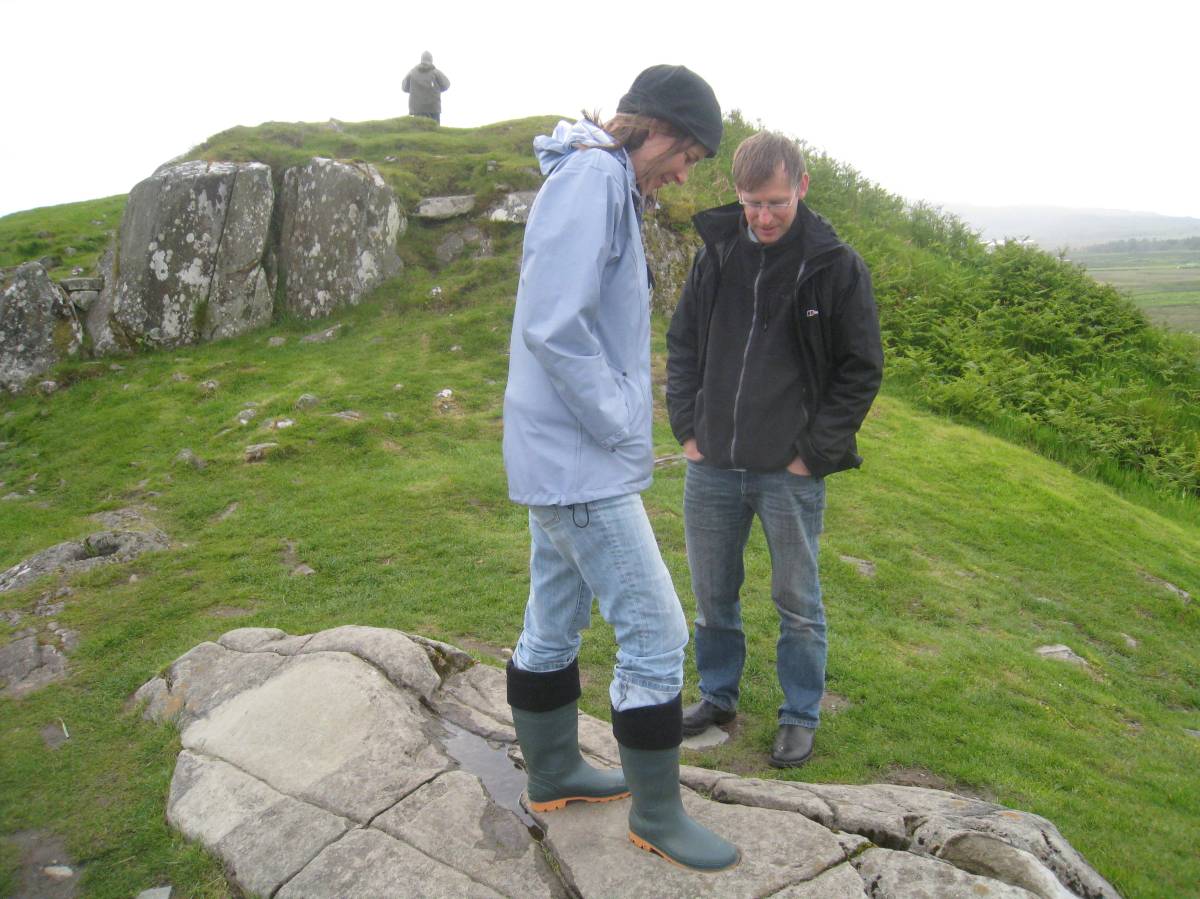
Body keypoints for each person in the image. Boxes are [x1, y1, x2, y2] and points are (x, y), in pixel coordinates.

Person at [502, 64, 739, 872]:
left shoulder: (604, 181)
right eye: (689, 155)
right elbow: (553, 325)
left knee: (553, 618)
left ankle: (553, 772)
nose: (685, 174)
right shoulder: (594, 180)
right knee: (656, 630)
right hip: (580, 461)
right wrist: (617, 420)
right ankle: (657, 815)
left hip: (563, 456)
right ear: (657, 129)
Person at [665, 131, 883, 768]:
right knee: (713, 594)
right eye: (752, 202)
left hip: (789, 472)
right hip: (712, 465)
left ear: (802, 187)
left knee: (797, 602)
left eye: (776, 203)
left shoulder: (835, 265)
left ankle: (799, 715)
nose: (762, 217)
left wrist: (811, 454)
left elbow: (861, 370)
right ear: (736, 194)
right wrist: (688, 431)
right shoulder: (717, 254)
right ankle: (717, 697)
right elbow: (684, 345)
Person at [402, 51, 450, 124]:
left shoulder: (412, 72)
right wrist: (437, 90)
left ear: (421, 59)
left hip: (417, 109)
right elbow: (446, 85)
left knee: (418, 129)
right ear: (431, 60)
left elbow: (404, 87)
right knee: (434, 130)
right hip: (433, 108)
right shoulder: (436, 72)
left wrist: (414, 90)